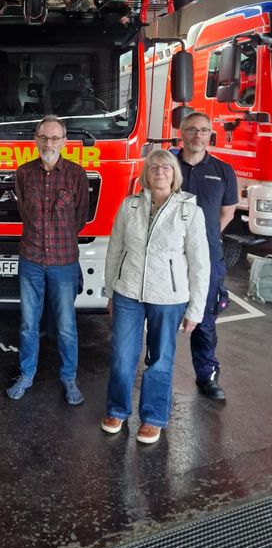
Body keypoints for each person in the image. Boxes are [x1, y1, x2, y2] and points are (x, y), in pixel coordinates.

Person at [101, 150, 210, 444]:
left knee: (160, 359)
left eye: (165, 167)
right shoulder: (130, 206)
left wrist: (195, 309)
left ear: (174, 174)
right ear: (145, 174)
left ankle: (152, 418)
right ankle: (117, 410)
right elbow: (115, 249)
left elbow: (201, 263)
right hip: (128, 292)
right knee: (123, 356)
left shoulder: (190, 210)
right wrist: (109, 289)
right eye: (153, 167)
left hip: (169, 296)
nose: (159, 171)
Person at [7, 115, 89, 404]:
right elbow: (24, 215)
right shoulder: (24, 173)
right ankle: (27, 375)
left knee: (66, 325)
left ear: (64, 142)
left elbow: (79, 218)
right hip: (30, 259)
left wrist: (59, 238)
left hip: (64, 262)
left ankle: (69, 378)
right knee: (29, 324)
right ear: (36, 140)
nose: (49, 143)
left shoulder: (77, 175)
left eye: (55, 138)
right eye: (44, 137)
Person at [175, 111, 238, 400]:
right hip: (171, 254)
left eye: (203, 130)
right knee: (163, 313)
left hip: (209, 255)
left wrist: (204, 238)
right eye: (192, 130)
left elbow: (227, 211)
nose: (197, 135)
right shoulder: (167, 166)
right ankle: (156, 366)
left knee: (205, 317)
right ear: (182, 133)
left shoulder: (224, 171)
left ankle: (207, 375)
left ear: (209, 134)